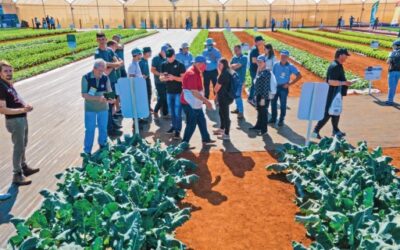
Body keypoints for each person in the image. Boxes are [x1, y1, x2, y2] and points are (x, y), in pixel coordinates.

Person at [0, 60, 40, 186]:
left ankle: (23, 167)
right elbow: (2, 109)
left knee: (23, 144)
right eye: (5, 71)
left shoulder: (8, 84)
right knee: (18, 147)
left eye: (10, 70)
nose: (9, 73)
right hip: (15, 121)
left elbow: (16, 99)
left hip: (21, 118)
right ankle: (17, 175)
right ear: (0, 73)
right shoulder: (1, 86)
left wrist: (25, 105)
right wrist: (23, 109)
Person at [313, 48, 354, 139]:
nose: (346, 57)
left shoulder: (339, 65)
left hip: (337, 93)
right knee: (328, 112)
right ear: (340, 55)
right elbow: (330, 81)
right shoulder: (335, 66)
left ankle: (335, 130)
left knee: (336, 111)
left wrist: (345, 82)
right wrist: (344, 83)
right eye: (345, 55)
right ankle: (315, 130)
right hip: (332, 93)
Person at [81, 59, 114, 155]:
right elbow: (84, 95)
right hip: (90, 109)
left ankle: (102, 145)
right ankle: (87, 151)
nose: (102, 73)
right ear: (94, 69)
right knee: (90, 130)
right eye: (100, 70)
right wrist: (98, 98)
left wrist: (111, 99)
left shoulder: (105, 78)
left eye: (103, 70)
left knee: (103, 128)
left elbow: (109, 92)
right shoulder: (86, 78)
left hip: (103, 108)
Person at [94, 32, 124, 137]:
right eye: (100, 39)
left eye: (103, 39)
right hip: (105, 84)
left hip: (113, 81)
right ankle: (110, 129)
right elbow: (103, 67)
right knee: (107, 105)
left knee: (111, 104)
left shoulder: (110, 50)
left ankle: (112, 124)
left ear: (106, 39)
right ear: (97, 40)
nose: (102, 41)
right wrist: (114, 65)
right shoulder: (97, 53)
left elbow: (119, 62)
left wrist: (110, 65)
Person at [181, 56, 215, 145]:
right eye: (204, 64)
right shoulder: (192, 73)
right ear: (198, 64)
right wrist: (206, 101)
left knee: (201, 120)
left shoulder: (196, 71)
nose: (205, 66)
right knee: (191, 124)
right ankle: (184, 144)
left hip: (195, 103)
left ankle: (206, 139)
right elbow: (194, 92)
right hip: (189, 103)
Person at [271, 50, 302, 126]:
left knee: (283, 104)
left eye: (285, 56)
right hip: (275, 87)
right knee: (273, 103)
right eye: (282, 56)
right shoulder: (275, 65)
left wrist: (289, 84)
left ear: (288, 57)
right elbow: (272, 75)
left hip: (283, 88)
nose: (283, 57)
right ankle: (273, 118)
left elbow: (299, 75)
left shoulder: (290, 66)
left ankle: (281, 120)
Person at [160, 48, 186, 139]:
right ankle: (173, 127)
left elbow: (183, 79)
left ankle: (178, 130)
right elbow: (161, 77)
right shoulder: (164, 64)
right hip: (169, 91)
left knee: (177, 112)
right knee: (171, 112)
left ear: (174, 55)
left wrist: (173, 78)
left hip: (178, 92)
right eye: (167, 57)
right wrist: (164, 78)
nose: (169, 59)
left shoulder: (180, 65)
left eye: (170, 57)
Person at [249, 55, 277, 136]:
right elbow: (256, 83)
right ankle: (258, 126)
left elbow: (265, 86)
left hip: (263, 96)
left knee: (263, 112)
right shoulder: (261, 71)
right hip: (259, 95)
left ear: (264, 62)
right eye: (258, 62)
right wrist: (255, 95)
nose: (259, 63)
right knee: (259, 111)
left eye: (261, 62)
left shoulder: (267, 72)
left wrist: (263, 98)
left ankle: (264, 130)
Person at [214, 58, 235, 141]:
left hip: (224, 98)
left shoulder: (223, 74)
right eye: (218, 64)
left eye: (220, 64)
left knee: (225, 115)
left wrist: (216, 95)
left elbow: (216, 88)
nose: (218, 66)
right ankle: (222, 129)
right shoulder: (229, 71)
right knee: (221, 113)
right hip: (228, 96)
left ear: (224, 65)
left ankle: (226, 134)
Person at [230, 44, 248, 119]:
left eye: (237, 50)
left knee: (238, 96)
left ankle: (241, 112)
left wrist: (234, 66)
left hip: (240, 80)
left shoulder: (244, 58)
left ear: (240, 50)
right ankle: (238, 109)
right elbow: (230, 66)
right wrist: (234, 66)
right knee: (235, 95)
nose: (235, 51)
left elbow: (237, 66)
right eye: (234, 50)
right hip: (234, 79)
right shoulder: (234, 57)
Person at [152, 45, 169, 118]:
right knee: (162, 98)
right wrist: (160, 74)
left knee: (166, 98)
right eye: (165, 52)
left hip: (166, 81)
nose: (166, 54)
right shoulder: (156, 58)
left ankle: (165, 114)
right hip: (159, 82)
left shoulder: (167, 58)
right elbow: (152, 70)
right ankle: (155, 111)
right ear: (161, 51)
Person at [249, 35, 265, 105]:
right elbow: (253, 60)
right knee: (254, 84)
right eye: (261, 41)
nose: (262, 42)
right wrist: (262, 64)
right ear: (258, 41)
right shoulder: (255, 50)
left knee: (254, 84)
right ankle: (251, 99)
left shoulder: (255, 48)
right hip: (254, 70)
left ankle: (251, 98)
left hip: (253, 69)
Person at [386, 40, 400, 106]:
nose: (393, 47)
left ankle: (390, 101)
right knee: (395, 86)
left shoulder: (392, 52)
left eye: (394, 45)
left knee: (392, 87)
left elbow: (388, 62)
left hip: (392, 71)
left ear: (397, 46)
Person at [139, 47, 153, 111]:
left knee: (149, 93)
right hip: (142, 81)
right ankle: (145, 108)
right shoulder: (141, 61)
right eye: (149, 52)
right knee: (145, 94)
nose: (151, 53)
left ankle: (148, 106)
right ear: (145, 53)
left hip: (148, 79)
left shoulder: (146, 60)